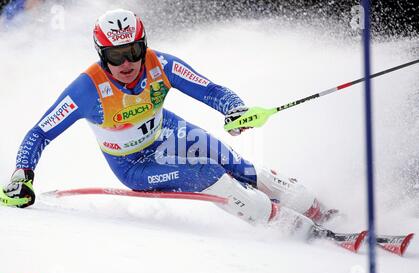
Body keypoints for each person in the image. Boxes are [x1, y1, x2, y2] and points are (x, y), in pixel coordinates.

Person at [2, 9, 335, 232]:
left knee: (235, 163)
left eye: (133, 51)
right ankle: (290, 228)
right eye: (116, 56)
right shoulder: (87, 89)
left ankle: (316, 209)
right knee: (207, 173)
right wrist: (23, 173)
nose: (127, 63)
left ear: (143, 46)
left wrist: (235, 110)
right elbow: (39, 133)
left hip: (169, 131)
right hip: (133, 164)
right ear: (102, 55)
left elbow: (212, 90)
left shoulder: (161, 64)